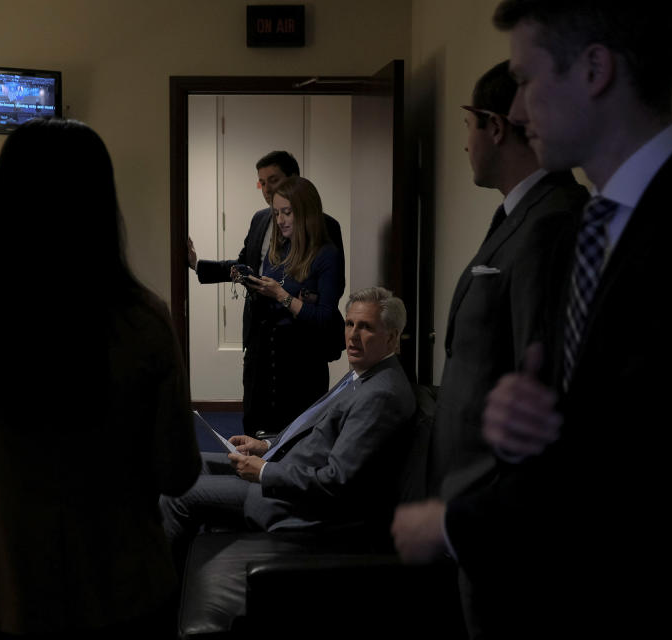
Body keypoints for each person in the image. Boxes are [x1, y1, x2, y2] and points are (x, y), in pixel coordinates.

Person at [392, 1, 672, 637]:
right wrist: (522, 420)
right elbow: (580, 419)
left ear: (594, 70)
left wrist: (450, 524)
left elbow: (643, 468)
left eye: (527, 80)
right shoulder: (580, 234)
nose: (521, 110)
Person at [0, 119, 202, 639]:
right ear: (100, 206)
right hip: (124, 591)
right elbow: (176, 471)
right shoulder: (145, 320)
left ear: (3, 203)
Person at [393, 60, 588, 637]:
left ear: (495, 126)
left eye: (467, 125)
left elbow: (544, 400)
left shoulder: (553, 223)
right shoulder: (519, 216)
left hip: (503, 536)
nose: (465, 144)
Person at [161, 286, 415, 562]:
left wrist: (265, 472)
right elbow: (313, 427)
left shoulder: (381, 395)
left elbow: (337, 481)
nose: (353, 335)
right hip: (286, 468)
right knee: (193, 463)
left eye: (366, 327)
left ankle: (164, 595)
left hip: (293, 501)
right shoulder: (365, 372)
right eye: (350, 324)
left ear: (391, 338)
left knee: (177, 496)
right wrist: (267, 444)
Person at [188, 150, 345, 434]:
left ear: (293, 182)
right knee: (255, 423)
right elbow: (246, 268)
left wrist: (286, 297)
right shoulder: (263, 224)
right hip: (261, 340)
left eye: (273, 180)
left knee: (296, 430)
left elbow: (326, 300)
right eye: (262, 182)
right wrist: (198, 265)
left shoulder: (325, 236)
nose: (267, 188)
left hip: (301, 347)